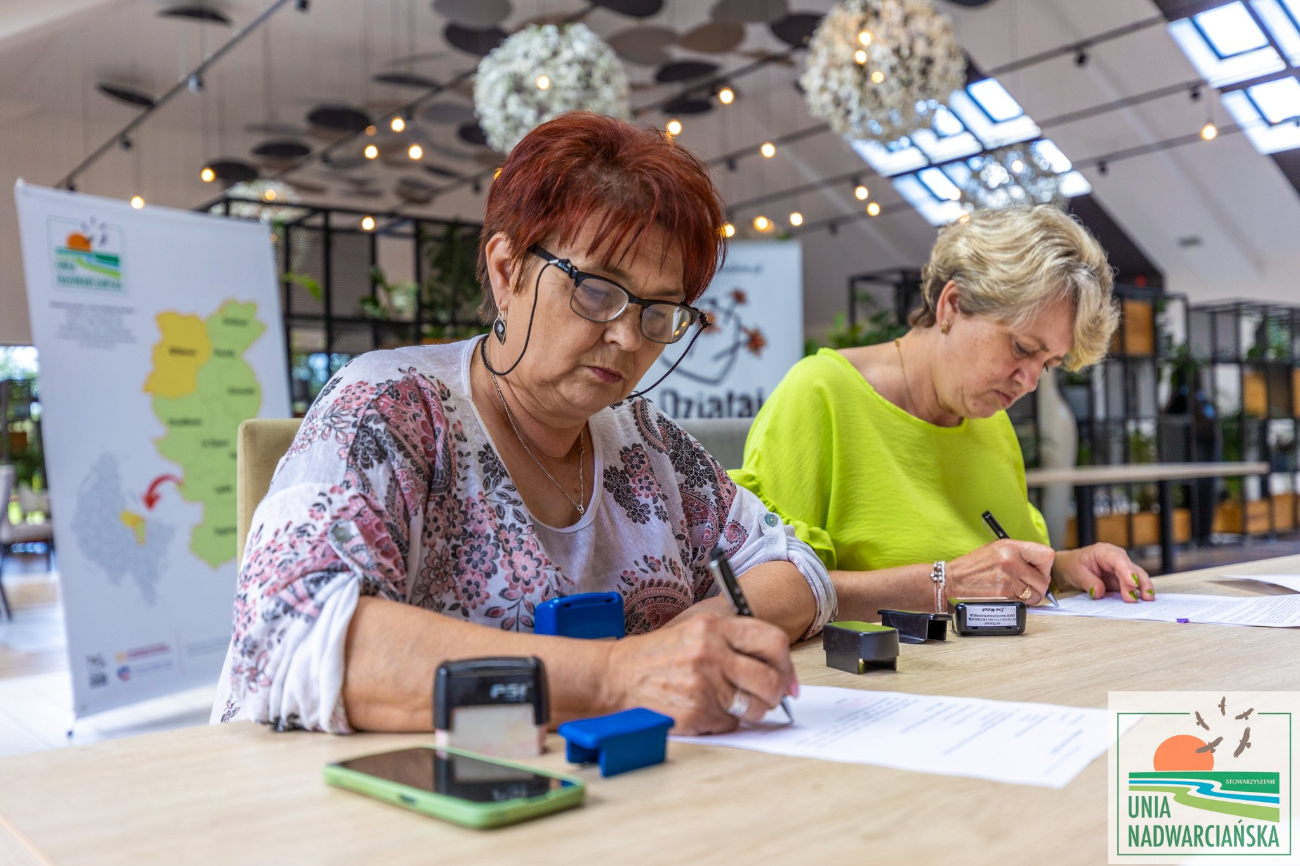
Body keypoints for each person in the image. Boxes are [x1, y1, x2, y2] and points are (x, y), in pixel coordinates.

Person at [211, 111, 835, 736]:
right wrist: (617, 674)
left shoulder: (645, 440)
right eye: (596, 289)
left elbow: (792, 564)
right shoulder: (390, 408)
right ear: (508, 270)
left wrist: (695, 636)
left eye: (659, 311)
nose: (626, 335)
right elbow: (291, 634)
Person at [733, 205, 1155, 619]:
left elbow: (1000, 567)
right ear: (952, 305)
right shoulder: (820, 394)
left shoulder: (990, 420)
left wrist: (1065, 566)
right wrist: (944, 584)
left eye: (1047, 364)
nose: (1029, 381)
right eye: (1022, 348)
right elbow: (761, 594)